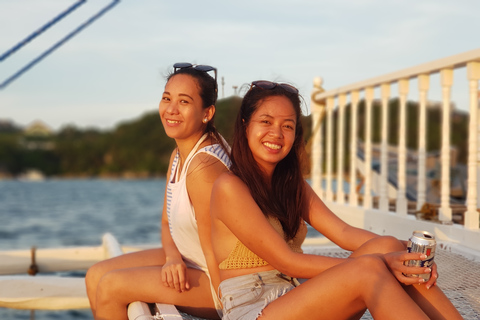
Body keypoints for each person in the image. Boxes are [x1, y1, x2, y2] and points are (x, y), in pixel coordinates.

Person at [210, 80, 462, 320]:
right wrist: (383, 262)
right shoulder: (230, 187)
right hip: (254, 307)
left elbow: (342, 231)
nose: (276, 133)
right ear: (245, 125)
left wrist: (409, 255)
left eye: (287, 125)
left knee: (388, 245)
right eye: (266, 121)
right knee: (369, 269)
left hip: (293, 297)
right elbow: (288, 262)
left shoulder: (290, 184)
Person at [85, 63, 230, 320]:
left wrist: (235, 310)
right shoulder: (178, 155)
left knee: (110, 286)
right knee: (95, 275)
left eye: (184, 101)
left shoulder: (204, 168)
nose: (171, 109)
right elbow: (166, 223)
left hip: (219, 282)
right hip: (188, 259)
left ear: (207, 113)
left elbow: (217, 252)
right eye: (166, 98)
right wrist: (172, 258)